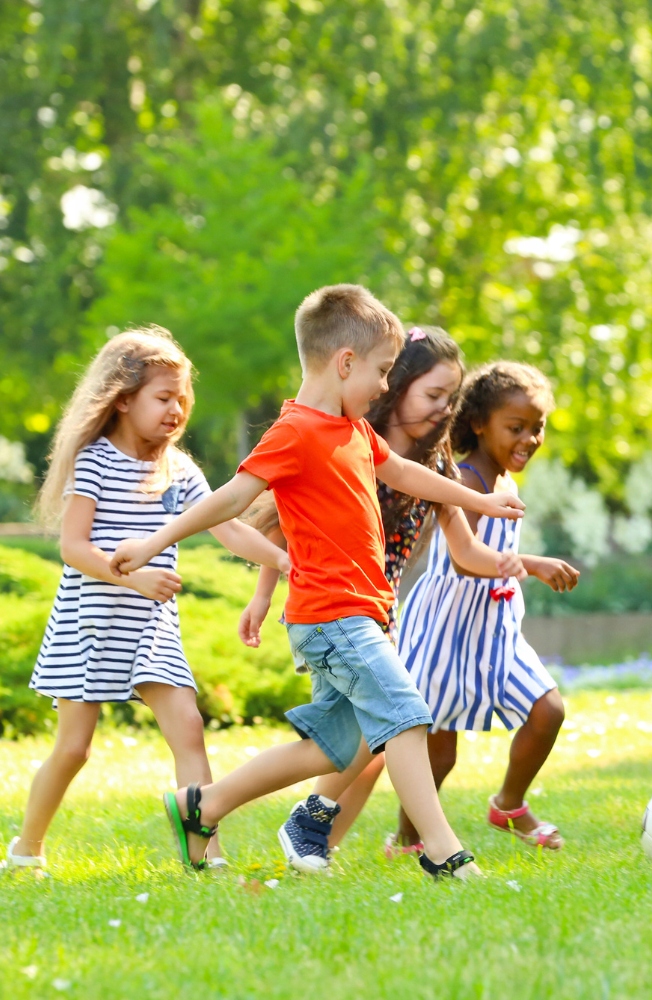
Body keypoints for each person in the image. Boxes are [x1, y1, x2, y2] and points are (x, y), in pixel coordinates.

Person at [109, 285, 526, 879]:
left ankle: (203, 805)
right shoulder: (296, 431)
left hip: (361, 612)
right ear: (345, 363)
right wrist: (153, 543)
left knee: (332, 750)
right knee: (406, 714)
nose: (385, 386)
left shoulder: (353, 430)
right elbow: (230, 498)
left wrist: (473, 499)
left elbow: (405, 472)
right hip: (332, 616)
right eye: (382, 371)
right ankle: (442, 851)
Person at [237, 323, 526, 872]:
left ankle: (284, 826)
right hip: (332, 605)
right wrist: (261, 594)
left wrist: (518, 559)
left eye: (451, 399)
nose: (445, 409)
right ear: (398, 385)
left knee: (359, 742)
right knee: (390, 727)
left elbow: (465, 550)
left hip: (375, 606)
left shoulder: (434, 465)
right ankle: (418, 849)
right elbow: (283, 524)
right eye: (433, 395)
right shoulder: (345, 436)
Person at [4, 327, 288, 871]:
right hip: (89, 622)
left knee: (188, 727)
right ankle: (26, 849)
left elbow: (227, 527)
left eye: (183, 398)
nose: (176, 409)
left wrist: (280, 560)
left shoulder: (177, 469)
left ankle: (207, 856)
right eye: (163, 397)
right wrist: (133, 578)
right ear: (123, 398)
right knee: (75, 749)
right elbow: (73, 548)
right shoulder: (95, 461)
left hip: (150, 628)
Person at [394, 361, 580, 853]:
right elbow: (463, 561)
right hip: (444, 628)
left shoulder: (504, 484)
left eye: (537, 428)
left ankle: (509, 804)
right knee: (439, 752)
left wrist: (522, 569)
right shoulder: (468, 481)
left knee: (548, 710)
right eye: (515, 428)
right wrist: (533, 563)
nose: (529, 439)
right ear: (479, 423)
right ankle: (408, 838)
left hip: (495, 630)